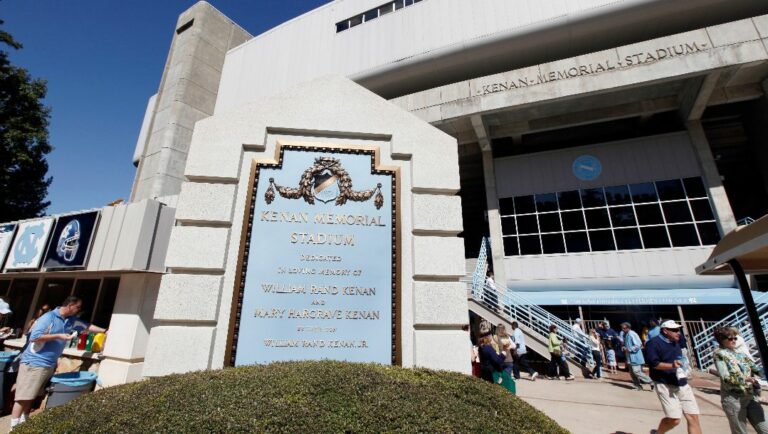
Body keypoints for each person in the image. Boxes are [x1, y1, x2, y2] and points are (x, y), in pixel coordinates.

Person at [10, 296, 107, 429]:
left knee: (32, 395)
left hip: (48, 364)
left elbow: (87, 326)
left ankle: (24, 423)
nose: (79, 310)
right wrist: (58, 336)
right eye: (77, 307)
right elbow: (35, 337)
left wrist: (105, 331)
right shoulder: (48, 318)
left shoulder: (70, 320)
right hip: (34, 363)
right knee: (22, 397)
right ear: (70, 305)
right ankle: (13, 427)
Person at [646, 320, 701, 434]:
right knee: (674, 419)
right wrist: (671, 365)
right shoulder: (653, 343)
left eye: (678, 330)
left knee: (693, 417)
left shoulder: (677, 341)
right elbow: (654, 364)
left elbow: (681, 356)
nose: (678, 332)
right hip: (665, 384)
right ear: (665, 331)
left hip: (682, 382)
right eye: (675, 330)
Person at [713, 327, 768, 434]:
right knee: (740, 432)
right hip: (734, 399)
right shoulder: (719, 354)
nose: (734, 340)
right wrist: (745, 379)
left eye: (735, 338)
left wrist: (763, 372)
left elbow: (756, 369)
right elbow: (725, 377)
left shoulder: (740, 353)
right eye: (730, 339)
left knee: (765, 429)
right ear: (721, 340)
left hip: (750, 396)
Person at [621, 322, 653, 391]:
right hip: (629, 357)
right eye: (622, 328)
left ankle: (650, 381)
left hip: (635, 357)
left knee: (636, 371)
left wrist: (629, 349)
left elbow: (638, 344)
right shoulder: (626, 334)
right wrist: (624, 347)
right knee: (632, 373)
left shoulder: (632, 334)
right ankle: (637, 386)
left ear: (628, 328)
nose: (623, 329)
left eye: (624, 328)